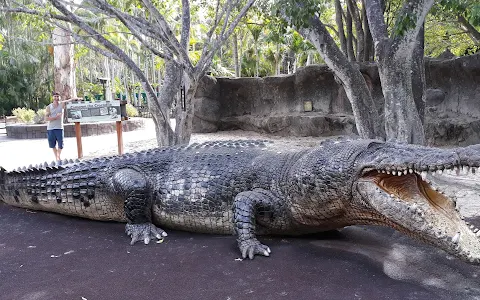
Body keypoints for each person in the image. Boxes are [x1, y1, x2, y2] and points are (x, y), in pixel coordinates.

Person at [45, 92, 80, 163]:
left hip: (59, 128)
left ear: (59, 97)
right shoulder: (49, 107)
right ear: (52, 97)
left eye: (58, 96)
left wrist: (78, 99)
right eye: (55, 96)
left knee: (61, 144)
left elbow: (70, 100)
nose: (56, 98)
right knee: (52, 145)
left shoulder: (62, 104)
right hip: (51, 128)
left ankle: (58, 157)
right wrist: (55, 117)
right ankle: (58, 158)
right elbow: (46, 118)